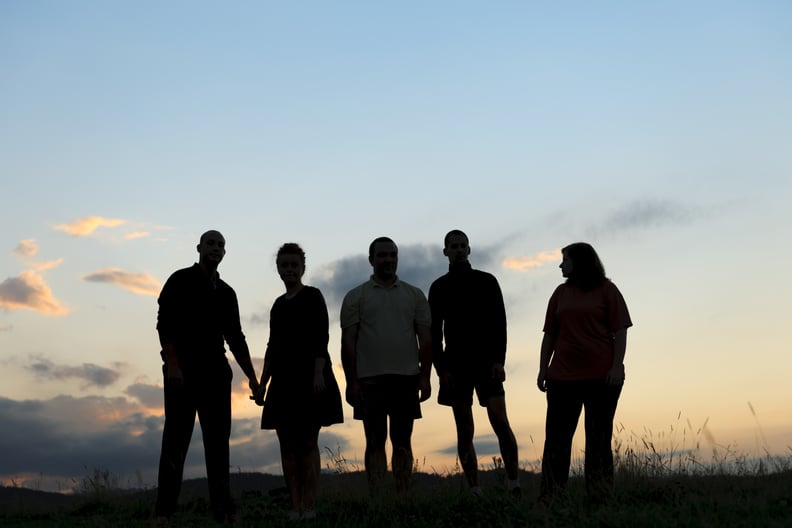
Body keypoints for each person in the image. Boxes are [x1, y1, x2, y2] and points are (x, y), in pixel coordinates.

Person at [154, 230, 259, 524]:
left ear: (224, 253)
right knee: (175, 442)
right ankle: (163, 513)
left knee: (217, 444)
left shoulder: (226, 293)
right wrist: (172, 365)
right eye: (210, 243)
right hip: (181, 374)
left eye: (221, 245)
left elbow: (235, 337)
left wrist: (252, 376)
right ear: (199, 248)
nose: (215, 248)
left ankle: (223, 512)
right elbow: (165, 325)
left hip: (215, 374)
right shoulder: (179, 280)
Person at [536, 242, 633, 505]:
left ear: (579, 261)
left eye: (564, 260)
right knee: (556, 441)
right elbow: (550, 334)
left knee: (598, 441)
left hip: (601, 378)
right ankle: (552, 497)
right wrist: (543, 368)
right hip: (562, 379)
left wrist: (617, 366)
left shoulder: (607, 290)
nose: (560, 265)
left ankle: (600, 498)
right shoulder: (560, 293)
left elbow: (621, 330)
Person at [253, 243, 343, 521]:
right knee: (287, 447)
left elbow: (321, 337)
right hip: (283, 383)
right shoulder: (278, 306)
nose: (290, 270)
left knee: (307, 444)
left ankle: (310, 504)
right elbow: (272, 346)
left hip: (311, 379)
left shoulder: (313, 296)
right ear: (278, 269)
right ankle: (295, 505)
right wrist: (262, 382)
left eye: (294, 265)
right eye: (285, 265)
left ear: (303, 267)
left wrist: (318, 374)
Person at [428, 229, 521, 497]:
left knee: (500, 421)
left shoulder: (487, 281)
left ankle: (514, 484)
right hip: (455, 366)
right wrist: (440, 368)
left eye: (462, 245)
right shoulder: (439, 287)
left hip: (486, 362)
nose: (458, 250)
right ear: (445, 251)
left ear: (469, 250)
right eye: (453, 246)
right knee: (464, 429)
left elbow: (499, 324)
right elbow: (434, 333)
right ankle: (475, 489)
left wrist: (499, 361)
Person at [340, 236, 432, 498]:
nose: (388, 259)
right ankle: (378, 496)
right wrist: (352, 381)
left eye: (392, 255)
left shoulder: (414, 295)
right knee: (375, 441)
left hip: (406, 379)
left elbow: (426, 340)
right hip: (370, 380)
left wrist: (424, 377)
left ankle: (402, 496)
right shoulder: (355, 296)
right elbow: (348, 342)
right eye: (382, 255)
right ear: (371, 260)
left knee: (402, 442)